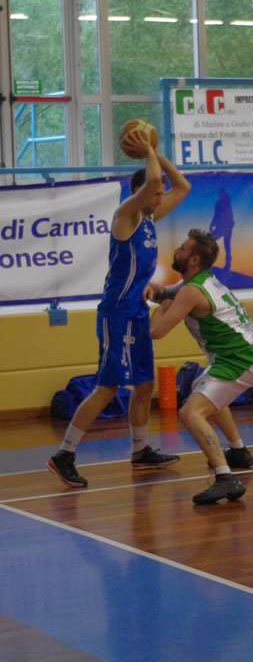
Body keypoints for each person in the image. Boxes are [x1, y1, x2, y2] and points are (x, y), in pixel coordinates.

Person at [48, 130, 191, 488]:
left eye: (160, 194)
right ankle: (64, 454)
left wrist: (156, 151)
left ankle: (140, 450)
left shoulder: (150, 218)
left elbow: (182, 186)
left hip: (137, 311)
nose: (161, 197)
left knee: (144, 384)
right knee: (108, 386)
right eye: (155, 193)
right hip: (117, 313)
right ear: (139, 192)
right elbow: (154, 179)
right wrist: (148, 155)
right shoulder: (125, 215)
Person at [149, 229, 253, 505]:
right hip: (249, 353)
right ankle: (238, 451)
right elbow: (167, 293)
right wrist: (157, 292)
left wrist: (162, 305)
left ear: (193, 260)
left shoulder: (191, 291)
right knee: (204, 391)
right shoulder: (202, 280)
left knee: (191, 412)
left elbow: (156, 331)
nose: (176, 250)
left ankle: (225, 477)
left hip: (241, 359)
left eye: (182, 248)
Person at [209, 188, 234, 270]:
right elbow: (216, 215)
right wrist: (212, 224)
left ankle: (228, 263)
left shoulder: (225, 202)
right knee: (226, 244)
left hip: (225, 226)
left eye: (221, 194)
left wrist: (213, 224)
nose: (220, 195)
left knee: (226, 244)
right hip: (223, 226)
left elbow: (227, 214)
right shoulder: (222, 203)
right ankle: (227, 263)